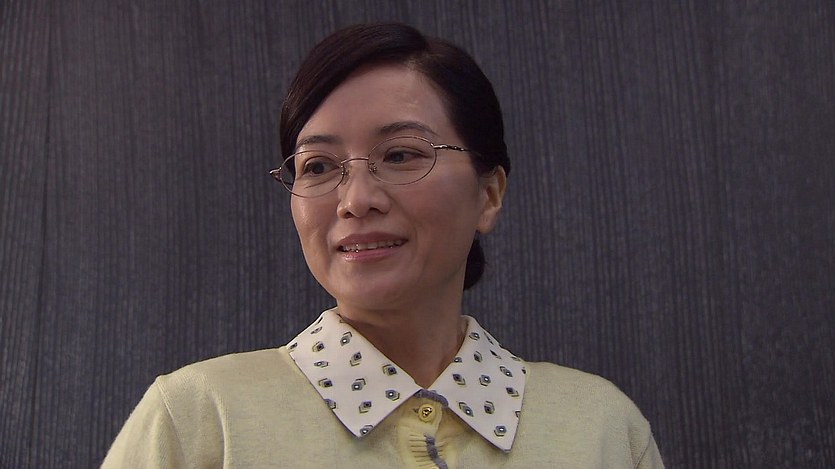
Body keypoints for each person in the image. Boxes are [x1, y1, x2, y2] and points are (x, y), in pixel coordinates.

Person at [103, 23, 664, 468]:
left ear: (489, 194)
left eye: (400, 155)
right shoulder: (199, 419)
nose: (356, 200)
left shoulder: (601, 431)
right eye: (318, 166)